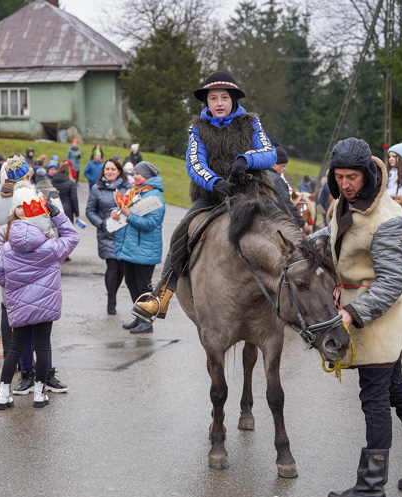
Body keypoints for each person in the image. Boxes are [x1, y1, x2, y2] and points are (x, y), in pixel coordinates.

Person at [311, 137, 402, 497]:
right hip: (357, 310)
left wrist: (351, 314)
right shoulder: (342, 204)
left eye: (352, 176)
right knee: (397, 390)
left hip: (376, 316)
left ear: (367, 175)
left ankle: (370, 489)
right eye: (340, 176)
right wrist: (303, 243)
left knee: (375, 399)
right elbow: (331, 235)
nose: (346, 183)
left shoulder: (388, 219)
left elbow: (392, 281)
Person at [133, 71, 276, 323]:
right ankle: (161, 296)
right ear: (206, 102)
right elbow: (194, 162)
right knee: (180, 232)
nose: (219, 103)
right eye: (213, 98)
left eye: (224, 97)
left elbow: (269, 152)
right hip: (212, 196)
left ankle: (296, 294)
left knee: (285, 229)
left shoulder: (252, 122)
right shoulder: (197, 128)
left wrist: (246, 159)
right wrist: (214, 181)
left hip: (253, 193)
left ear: (233, 99)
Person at [0, 185, 79, 410]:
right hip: (45, 305)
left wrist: (14, 286)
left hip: (19, 304)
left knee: (15, 348)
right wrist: (57, 215)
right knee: (42, 346)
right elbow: (72, 236)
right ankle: (40, 394)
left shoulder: (8, 247)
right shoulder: (51, 247)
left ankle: (3, 394)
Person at [110, 161, 166, 334]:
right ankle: (139, 316)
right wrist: (116, 211)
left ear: (147, 176)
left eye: (138, 173)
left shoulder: (154, 196)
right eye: (134, 173)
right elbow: (125, 208)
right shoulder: (134, 191)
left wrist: (128, 215)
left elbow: (151, 223)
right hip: (130, 248)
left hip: (145, 250)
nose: (134, 176)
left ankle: (147, 322)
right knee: (131, 283)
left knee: (143, 286)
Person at [85, 157, 130, 315]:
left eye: (113, 169)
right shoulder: (96, 189)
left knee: (121, 269)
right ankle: (111, 300)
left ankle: (114, 292)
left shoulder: (127, 188)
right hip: (107, 233)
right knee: (112, 265)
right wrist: (102, 223)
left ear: (119, 172)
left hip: (124, 233)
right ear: (103, 171)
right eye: (107, 169)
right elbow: (90, 211)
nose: (110, 172)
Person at [267, 144, 310, 233]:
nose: (285, 169)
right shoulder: (277, 180)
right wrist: (302, 223)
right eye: (283, 166)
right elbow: (285, 204)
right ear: (274, 165)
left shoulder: (262, 174)